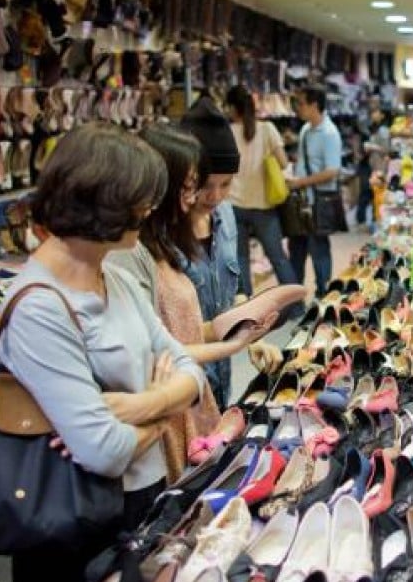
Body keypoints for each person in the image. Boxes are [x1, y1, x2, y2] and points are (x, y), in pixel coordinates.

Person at [0, 124, 205, 582]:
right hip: (76, 528)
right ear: (103, 202)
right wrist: (164, 408)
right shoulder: (40, 308)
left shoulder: (111, 275)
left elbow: (190, 370)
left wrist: (138, 406)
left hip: (139, 507)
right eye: (140, 201)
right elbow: (104, 451)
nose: (149, 212)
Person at [108, 124, 279, 479]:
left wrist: (245, 331)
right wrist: (234, 343)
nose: (204, 196)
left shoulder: (201, 225)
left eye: (224, 184)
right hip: (166, 407)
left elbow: (180, 330)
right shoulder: (131, 252)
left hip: (193, 396)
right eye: (193, 187)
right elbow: (154, 353)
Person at [177, 96, 244, 409]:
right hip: (182, 387)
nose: (215, 196)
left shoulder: (226, 216)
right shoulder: (161, 234)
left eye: (226, 184)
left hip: (221, 379)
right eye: (206, 185)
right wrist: (231, 330)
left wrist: (248, 329)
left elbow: (233, 289)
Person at [225, 85, 298, 294]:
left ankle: (247, 308)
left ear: (232, 108)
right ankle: (295, 306)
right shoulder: (267, 129)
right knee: (278, 258)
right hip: (263, 205)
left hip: (234, 204)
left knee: (240, 260)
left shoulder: (228, 132)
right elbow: (284, 163)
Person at [288, 85, 343, 297]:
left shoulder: (329, 133)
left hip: (318, 201)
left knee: (318, 248)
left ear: (315, 105)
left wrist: (301, 182)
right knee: (297, 249)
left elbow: (332, 170)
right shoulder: (305, 130)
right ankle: (295, 296)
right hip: (302, 201)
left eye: (301, 103)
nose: (298, 108)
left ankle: (323, 293)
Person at [359, 106, 390, 230]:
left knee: (376, 194)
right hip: (375, 166)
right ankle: (373, 221)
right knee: (374, 194)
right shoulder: (376, 128)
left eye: (376, 111)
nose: (373, 114)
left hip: (379, 167)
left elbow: (386, 149)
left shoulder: (383, 130)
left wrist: (371, 146)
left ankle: (375, 222)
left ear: (382, 115)